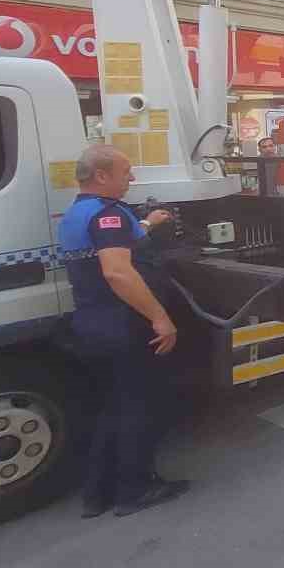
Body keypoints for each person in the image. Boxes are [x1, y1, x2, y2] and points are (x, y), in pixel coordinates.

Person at [62, 145, 188, 518]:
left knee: (112, 408)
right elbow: (118, 271)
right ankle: (135, 490)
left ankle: (96, 494)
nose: (131, 179)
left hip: (92, 324)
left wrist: (149, 222)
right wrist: (160, 317)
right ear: (102, 176)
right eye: (125, 171)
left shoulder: (79, 213)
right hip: (124, 325)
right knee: (141, 408)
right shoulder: (109, 216)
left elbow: (117, 238)